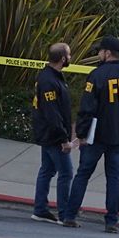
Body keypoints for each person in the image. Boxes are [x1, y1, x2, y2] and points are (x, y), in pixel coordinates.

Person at [59, 35, 119, 233]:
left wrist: (81, 134)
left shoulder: (97, 75)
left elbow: (87, 108)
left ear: (107, 53)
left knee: (83, 174)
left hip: (96, 135)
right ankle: (111, 221)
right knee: (114, 176)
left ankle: (70, 215)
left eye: (100, 51)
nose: (98, 54)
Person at [30, 42, 74, 224]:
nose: (70, 58)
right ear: (63, 58)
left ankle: (40, 209)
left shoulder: (50, 76)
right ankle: (64, 214)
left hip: (47, 133)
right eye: (69, 55)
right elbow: (52, 113)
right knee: (66, 173)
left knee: (47, 170)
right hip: (53, 135)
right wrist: (64, 139)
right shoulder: (49, 80)